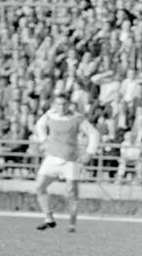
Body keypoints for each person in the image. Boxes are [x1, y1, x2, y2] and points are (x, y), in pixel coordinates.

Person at [31, 93, 100, 233]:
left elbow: (94, 133)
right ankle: (48, 218)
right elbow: (39, 126)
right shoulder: (49, 115)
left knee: (71, 192)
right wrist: (43, 140)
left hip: (70, 160)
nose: (61, 107)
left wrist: (90, 152)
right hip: (52, 158)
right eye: (58, 104)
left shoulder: (77, 118)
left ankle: (71, 224)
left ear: (69, 104)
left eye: (64, 104)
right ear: (54, 105)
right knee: (39, 186)